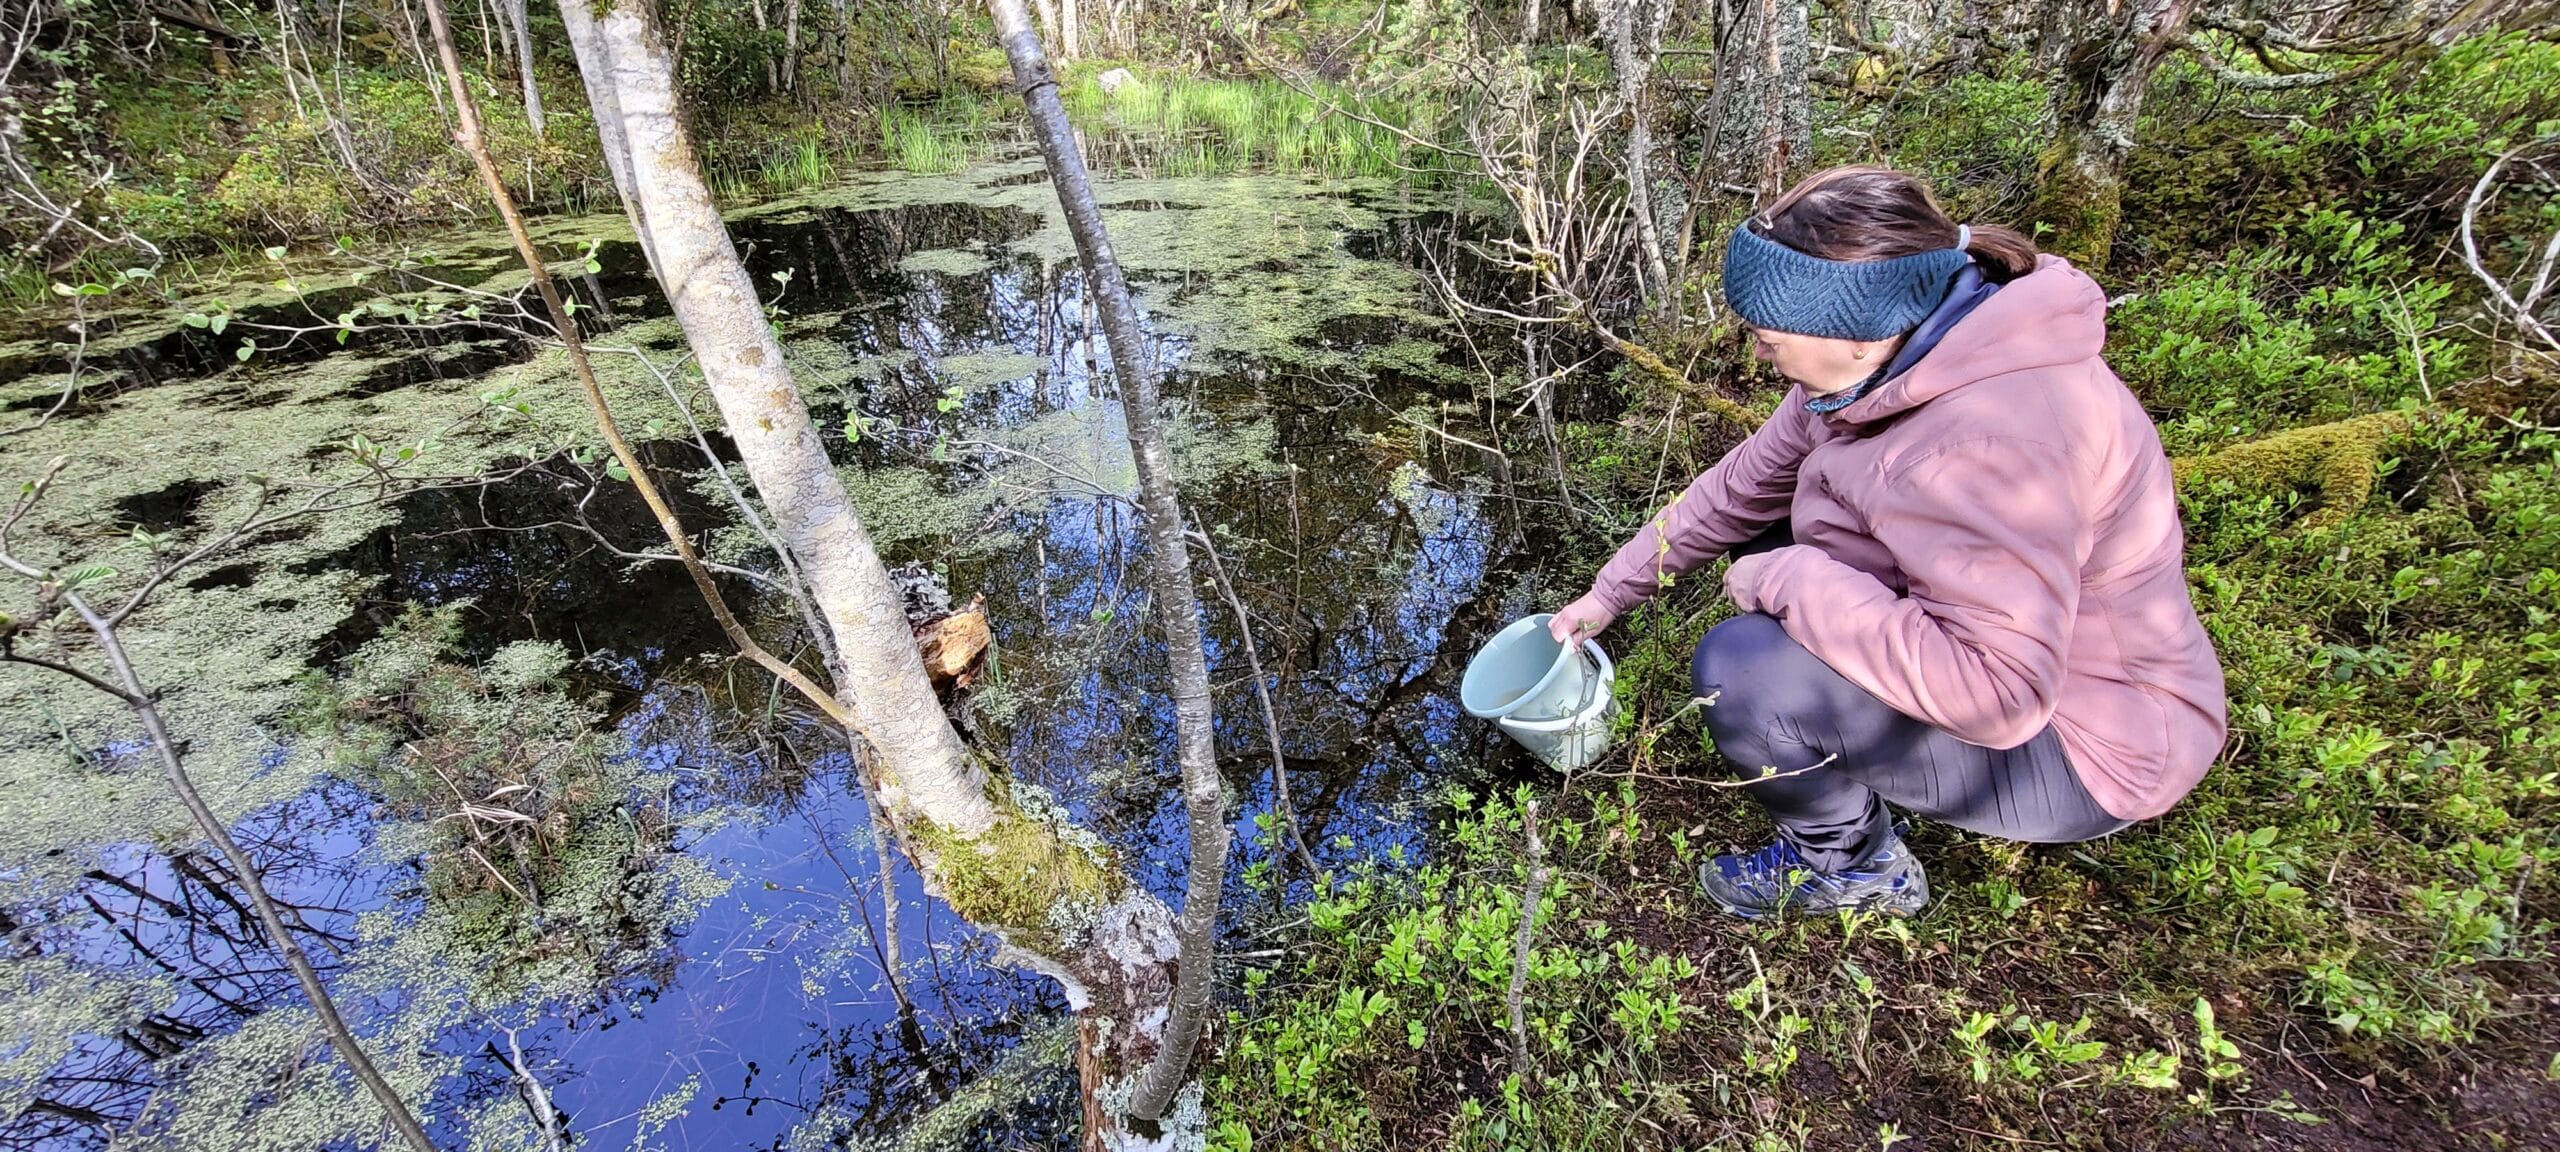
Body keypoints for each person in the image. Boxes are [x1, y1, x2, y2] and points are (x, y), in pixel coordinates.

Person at [1549, 166, 2227, 919]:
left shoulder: (1988, 446)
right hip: (2010, 653)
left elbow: (2002, 697)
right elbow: (1743, 487)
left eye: (1769, 339)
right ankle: (1847, 781)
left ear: (1857, 334)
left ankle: (1857, 869)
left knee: (1743, 668)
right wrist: (1608, 595)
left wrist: (1796, 580)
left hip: (2089, 746)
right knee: (1766, 536)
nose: (1757, 356)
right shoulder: (1880, 368)